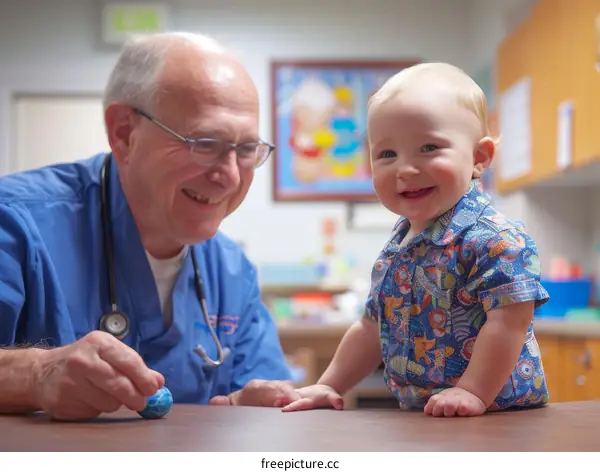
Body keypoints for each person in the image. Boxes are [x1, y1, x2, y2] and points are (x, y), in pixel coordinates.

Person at [0, 32, 301, 420]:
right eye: (205, 142)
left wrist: (259, 410)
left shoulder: (230, 271)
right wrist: (34, 375)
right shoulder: (16, 222)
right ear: (124, 133)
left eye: (246, 149)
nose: (229, 176)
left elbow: (260, 392)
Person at [282, 62, 551, 417]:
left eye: (429, 147)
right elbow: (370, 327)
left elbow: (509, 322)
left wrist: (472, 393)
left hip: (497, 416)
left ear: (478, 158)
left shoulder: (495, 238)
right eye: (387, 154)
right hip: (428, 417)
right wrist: (331, 384)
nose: (405, 169)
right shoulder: (398, 243)